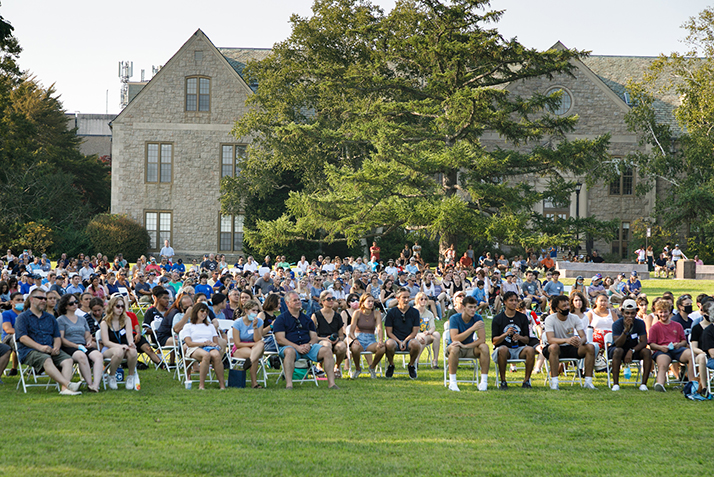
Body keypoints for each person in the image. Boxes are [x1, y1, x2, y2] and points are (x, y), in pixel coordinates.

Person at [15, 289, 82, 395]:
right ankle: (68, 384)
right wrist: (40, 347)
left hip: (50, 349)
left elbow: (57, 337)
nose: (43, 301)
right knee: (46, 359)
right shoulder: (22, 317)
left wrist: (56, 347)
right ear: (32, 299)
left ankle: (65, 390)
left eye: (45, 299)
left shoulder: (50, 318)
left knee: (68, 360)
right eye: (40, 298)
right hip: (30, 351)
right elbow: (22, 338)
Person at [273, 291, 339, 389]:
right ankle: (289, 384)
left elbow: (314, 337)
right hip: (290, 347)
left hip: (308, 347)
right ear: (287, 303)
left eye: (299, 299)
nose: (298, 302)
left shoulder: (307, 319)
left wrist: (309, 345)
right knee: (290, 351)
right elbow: (280, 339)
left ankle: (332, 383)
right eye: (295, 300)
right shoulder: (281, 319)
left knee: (327, 350)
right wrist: (297, 347)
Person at [542, 295, 597, 390]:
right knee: (554, 347)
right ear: (556, 308)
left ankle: (588, 381)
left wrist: (580, 342)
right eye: (564, 306)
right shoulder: (550, 319)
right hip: (555, 349)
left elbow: (583, 336)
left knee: (590, 347)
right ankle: (555, 382)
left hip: (571, 347)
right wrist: (566, 340)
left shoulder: (574, 318)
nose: (567, 307)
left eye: (567, 305)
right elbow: (550, 339)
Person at [57, 293, 104, 392]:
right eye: (71, 303)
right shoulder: (61, 320)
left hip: (83, 345)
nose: (74, 304)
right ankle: (90, 384)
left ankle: (95, 385)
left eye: (76, 302)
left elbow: (87, 334)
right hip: (69, 346)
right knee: (81, 355)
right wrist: (76, 346)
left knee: (98, 356)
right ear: (65, 306)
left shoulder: (82, 319)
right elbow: (61, 339)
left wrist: (89, 341)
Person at [491, 291, 536, 389]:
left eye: (516, 300)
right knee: (503, 349)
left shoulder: (523, 317)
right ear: (505, 302)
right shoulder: (498, 319)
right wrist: (505, 334)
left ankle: (526, 381)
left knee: (530, 350)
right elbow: (494, 341)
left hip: (519, 348)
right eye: (511, 300)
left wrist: (519, 337)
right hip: (503, 349)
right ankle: (503, 381)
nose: (514, 303)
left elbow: (527, 340)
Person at [648, 298, 695, 392]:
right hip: (662, 350)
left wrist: (679, 344)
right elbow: (651, 344)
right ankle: (660, 384)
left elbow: (684, 341)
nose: (663, 314)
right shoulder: (655, 327)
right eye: (661, 312)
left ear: (669, 311)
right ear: (657, 312)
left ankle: (693, 383)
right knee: (663, 363)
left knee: (690, 354)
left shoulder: (677, 325)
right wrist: (660, 347)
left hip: (677, 349)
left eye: (665, 312)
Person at [445, 296, 490, 391]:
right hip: (454, 347)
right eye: (470, 307)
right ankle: (452, 383)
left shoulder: (478, 318)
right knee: (455, 347)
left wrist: (465, 346)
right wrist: (472, 328)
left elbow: (482, 340)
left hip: (469, 347)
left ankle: (484, 382)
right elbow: (454, 338)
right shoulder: (454, 318)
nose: (473, 310)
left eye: (474, 307)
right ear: (463, 307)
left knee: (484, 347)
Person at [609, 299, 652, 391]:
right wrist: (626, 331)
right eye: (627, 313)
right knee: (618, 351)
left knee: (647, 352)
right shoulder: (617, 324)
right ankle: (615, 384)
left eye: (632, 313)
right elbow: (618, 344)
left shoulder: (640, 323)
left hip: (633, 349)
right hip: (618, 349)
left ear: (636, 313)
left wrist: (631, 351)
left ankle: (644, 384)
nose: (630, 316)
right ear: (623, 313)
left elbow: (644, 342)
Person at [181, 302, 225, 390]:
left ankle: (222, 385)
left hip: (209, 346)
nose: (204, 313)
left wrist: (213, 344)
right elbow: (189, 343)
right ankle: (202, 385)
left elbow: (215, 342)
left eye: (206, 311)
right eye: (202, 311)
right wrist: (203, 343)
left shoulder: (210, 326)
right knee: (206, 355)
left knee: (216, 355)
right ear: (196, 312)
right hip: (194, 347)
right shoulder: (188, 326)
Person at [100, 295, 139, 390]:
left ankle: (130, 376)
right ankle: (112, 376)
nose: (120, 309)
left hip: (125, 346)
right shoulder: (104, 322)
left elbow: (129, 336)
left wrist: (131, 343)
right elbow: (106, 342)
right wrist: (120, 346)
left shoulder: (126, 320)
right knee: (119, 351)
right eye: (117, 306)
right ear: (112, 307)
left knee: (133, 351)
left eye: (122, 306)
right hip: (109, 348)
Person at [383, 288, 422, 379]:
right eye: (404, 297)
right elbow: (389, 332)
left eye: (408, 297)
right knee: (389, 343)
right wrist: (399, 342)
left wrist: (405, 341)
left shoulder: (415, 312)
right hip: (395, 339)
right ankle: (391, 365)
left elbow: (414, 331)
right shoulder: (391, 312)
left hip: (409, 339)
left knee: (416, 344)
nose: (406, 300)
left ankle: (411, 365)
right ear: (397, 298)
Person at [311, 290, 347, 377]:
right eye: (329, 299)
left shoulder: (337, 316)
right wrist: (324, 339)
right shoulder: (316, 315)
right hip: (321, 340)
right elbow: (312, 336)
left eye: (333, 298)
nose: (331, 301)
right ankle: (319, 366)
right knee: (327, 345)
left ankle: (336, 367)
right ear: (322, 301)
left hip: (335, 341)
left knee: (342, 346)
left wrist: (337, 339)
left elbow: (341, 335)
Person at [414, 292, 441, 369]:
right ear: (417, 300)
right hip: (415, 335)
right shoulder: (412, 311)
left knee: (437, 334)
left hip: (427, 334)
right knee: (423, 336)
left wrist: (429, 332)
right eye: (421, 299)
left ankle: (435, 361)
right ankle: (416, 361)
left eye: (425, 299)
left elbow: (433, 327)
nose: (424, 301)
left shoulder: (429, 313)